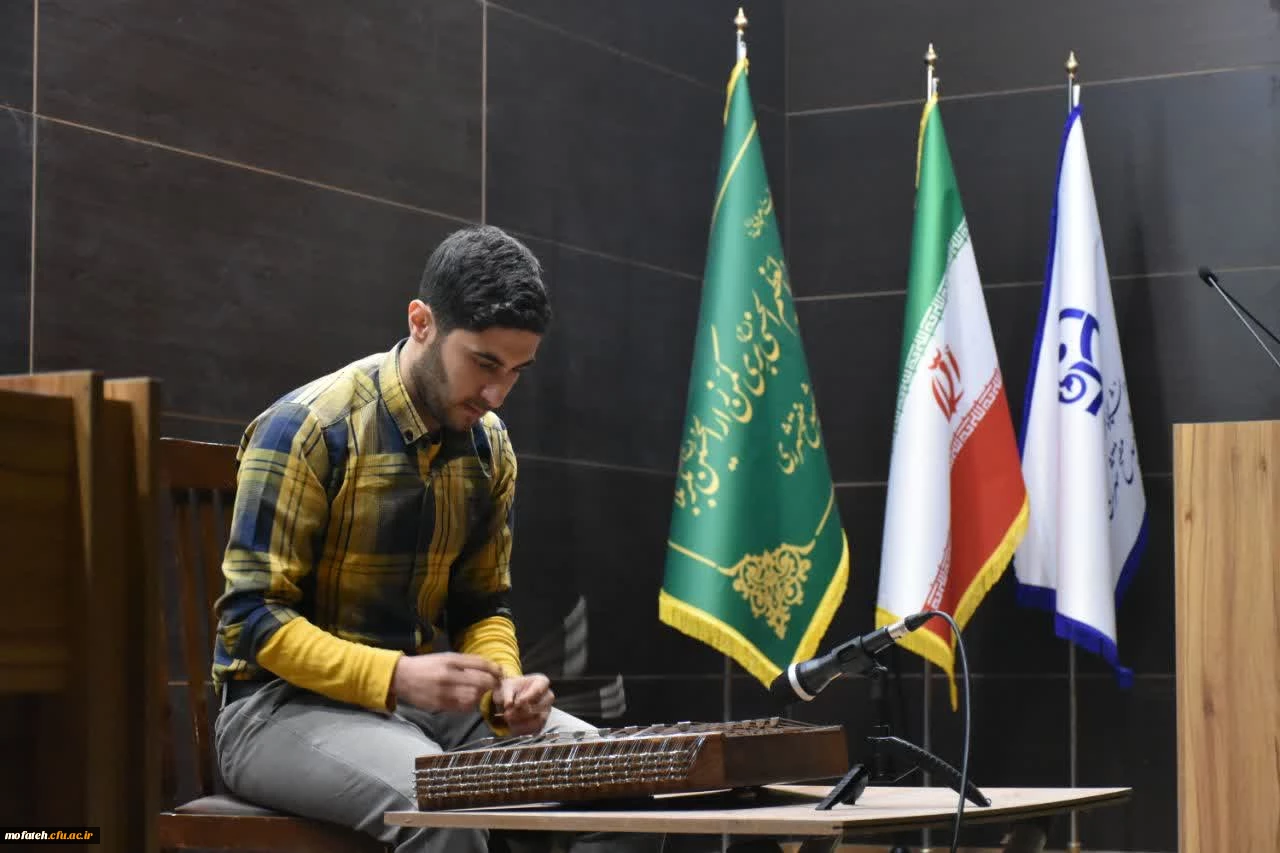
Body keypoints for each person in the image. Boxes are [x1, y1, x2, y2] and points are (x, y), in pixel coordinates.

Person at [210, 225, 665, 853]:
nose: (496, 394)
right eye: (484, 363)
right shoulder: (308, 428)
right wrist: (396, 676)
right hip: (275, 710)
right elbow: (251, 619)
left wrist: (505, 687)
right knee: (443, 807)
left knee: (624, 787)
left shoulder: (489, 446)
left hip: (419, 709)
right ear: (421, 322)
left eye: (516, 371)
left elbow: (481, 605)